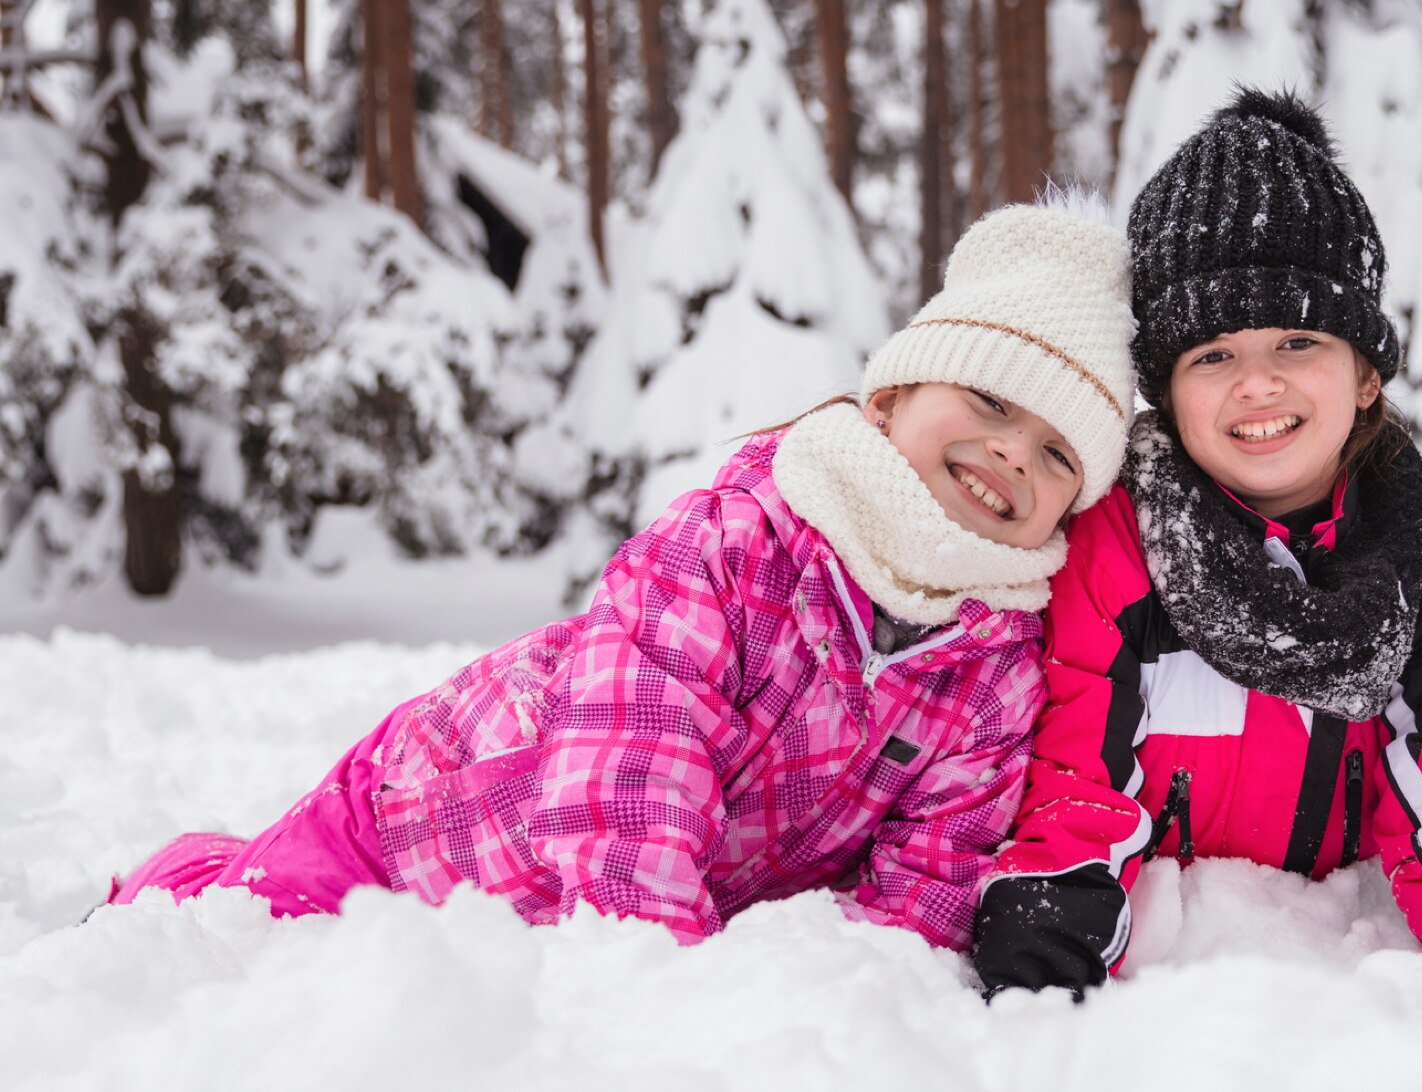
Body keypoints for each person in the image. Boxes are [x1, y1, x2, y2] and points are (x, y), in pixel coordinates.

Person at [105, 198, 1137, 952]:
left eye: (1058, 455)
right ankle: (174, 883)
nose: (1013, 454)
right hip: (425, 830)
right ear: (887, 403)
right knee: (238, 944)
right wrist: (660, 984)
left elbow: (933, 876)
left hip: (619, 925)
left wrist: (847, 996)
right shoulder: (737, 544)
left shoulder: (992, 670)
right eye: (992, 404)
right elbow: (626, 777)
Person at [970, 89, 1422, 996]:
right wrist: (1046, 943)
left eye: (1298, 342)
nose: (1257, 385)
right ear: (1168, 394)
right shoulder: (1119, 545)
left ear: (1367, 375)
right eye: (1213, 356)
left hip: (1327, 953)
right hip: (1180, 969)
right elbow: (1074, 769)